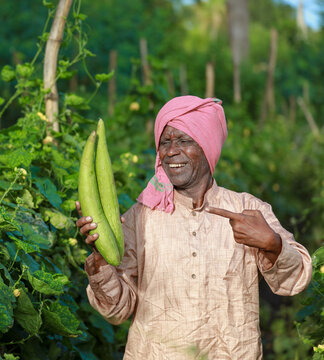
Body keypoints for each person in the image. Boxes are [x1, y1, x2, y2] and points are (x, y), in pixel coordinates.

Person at [75, 95, 312, 359]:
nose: (171, 151)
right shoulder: (140, 217)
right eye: (165, 142)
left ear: (208, 146)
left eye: (184, 140)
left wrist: (272, 245)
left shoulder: (247, 209)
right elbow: (116, 310)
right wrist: (100, 258)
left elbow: (295, 281)